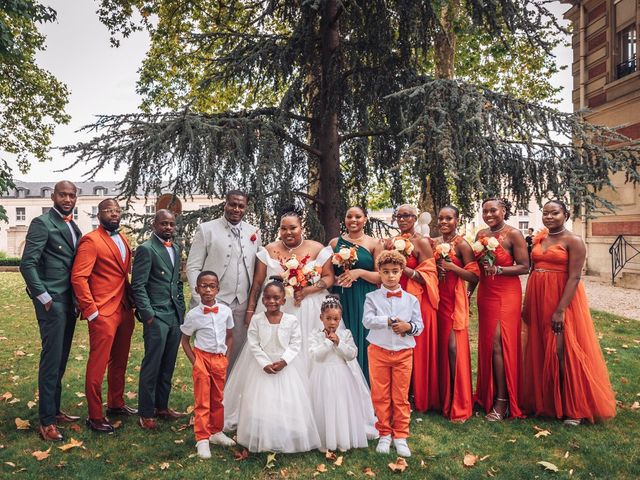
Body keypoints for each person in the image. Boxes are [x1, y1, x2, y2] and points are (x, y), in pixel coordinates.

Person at [522, 200, 616, 424]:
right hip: (538, 297)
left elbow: (574, 277)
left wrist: (560, 310)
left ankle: (573, 407)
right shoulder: (541, 238)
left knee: (561, 351)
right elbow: (533, 269)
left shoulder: (574, 241)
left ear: (566, 214)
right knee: (541, 347)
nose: (549, 217)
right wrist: (527, 303)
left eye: (555, 213)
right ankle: (547, 402)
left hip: (561, 299)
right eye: (545, 213)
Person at [19, 181, 82, 441]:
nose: (67, 199)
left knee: (61, 358)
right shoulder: (42, 223)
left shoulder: (73, 225)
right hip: (52, 301)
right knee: (51, 360)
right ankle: (46, 423)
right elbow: (27, 264)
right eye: (63, 194)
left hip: (69, 302)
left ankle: (54, 410)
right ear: (53, 196)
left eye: (71, 195)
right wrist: (43, 296)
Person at [71, 198, 137, 433]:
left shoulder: (124, 239)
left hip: (124, 309)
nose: (114, 214)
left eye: (117, 210)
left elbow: (121, 275)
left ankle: (116, 404)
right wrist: (91, 311)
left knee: (120, 361)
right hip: (102, 312)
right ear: (99, 215)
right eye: (108, 210)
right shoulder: (91, 240)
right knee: (98, 364)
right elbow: (79, 278)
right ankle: (95, 415)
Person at [235, 280, 321, 453]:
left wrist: (284, 361)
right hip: (262, 367)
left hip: (286, 367)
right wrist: (264, 363)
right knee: (263, 400)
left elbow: (296, 343)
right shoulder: (257, 320)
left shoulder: (291, 320)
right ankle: (263, 435)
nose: (271, 301)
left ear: (283, 300)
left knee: (287, 400)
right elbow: (253, 343)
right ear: (262, 300)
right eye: (267, 298)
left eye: (276, 298)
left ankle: (285, 434)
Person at [186, 190, 261, 370]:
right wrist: (201, 299)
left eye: (241, 206)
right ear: (225, 204)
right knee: (210, 353)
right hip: (215, 301)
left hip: (242, 303)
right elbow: (193, 267)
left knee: (237, 352)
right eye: (232, 204)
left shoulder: (254, 232)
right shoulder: (206, 229)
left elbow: (258, 268)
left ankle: (229, 395)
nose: (236, 209)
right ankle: (209, 394)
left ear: (245, 208)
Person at [472, 198, 529, 421]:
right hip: (486, 294)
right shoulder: (480, 235)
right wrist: (470, 290)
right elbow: (478, 268)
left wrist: (500, 269)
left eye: (493, 210)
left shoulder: (514, 234)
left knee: (500, 343)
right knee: (489, 345)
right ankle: (489, 394)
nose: (489, 214)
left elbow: (525, 266)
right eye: (485, 211)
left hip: (507, 294)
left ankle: (503, 401)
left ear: (503, 211)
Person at [363, 250, 423, 458]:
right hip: (378, 351)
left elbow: (420, 326)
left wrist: (408, 326)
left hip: (403, 352)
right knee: (380, 395)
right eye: (386, 271)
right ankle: (384, 433)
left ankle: (400, 436)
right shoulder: (371, 297)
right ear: (379, 272)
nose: (390, 276)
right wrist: (387, 321)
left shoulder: (411, 300)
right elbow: (367, 321)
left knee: (400, 396)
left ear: (401, 273)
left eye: (395, 272)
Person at [131, 209, 186, 430]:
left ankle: (162, 406)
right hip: (156, 316)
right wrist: (148, 314)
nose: (168, 228)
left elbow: (177, 283)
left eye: (171, 224)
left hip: (174, 316)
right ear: (154, 224)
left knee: (168, 363)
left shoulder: (176, 248)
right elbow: (138, 285)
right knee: (152, 364)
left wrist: (180, 307)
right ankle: (146, 412)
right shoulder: (146, 249)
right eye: (163, 224)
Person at [309, 295, 377, 452]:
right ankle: (324, 439)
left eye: (336, 319)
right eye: (328, 318)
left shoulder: (345, 334)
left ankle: (342, 438)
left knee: (340, 405)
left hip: (341, 376)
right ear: (321, 317)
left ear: (340, 319)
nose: (332, 323)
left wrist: (339, 343)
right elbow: (315, 355)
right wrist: (327, 342)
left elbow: (352, 354)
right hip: (322, 375)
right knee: (324, 406)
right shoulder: (315, 335)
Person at [180, 271, 237, 460]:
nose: (208, 290)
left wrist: (227, 357)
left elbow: (229, 336)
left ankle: (216, 432)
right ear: (196, 289)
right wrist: (196, 361)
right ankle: (202, 438)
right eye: (203, 286)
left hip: (220, 358)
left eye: (212, 286)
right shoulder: (193, 315)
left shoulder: (226, 311)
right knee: (202, 400)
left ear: (218, 289)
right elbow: (185, 340)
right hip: (202, 359)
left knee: (218, 398)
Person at [389, 204, 440, 413]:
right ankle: (401, 392)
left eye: (407, 216)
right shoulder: (392, 242)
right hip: (395, 297)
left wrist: (405, 269)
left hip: (418, 300)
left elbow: (429, 275)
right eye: (399, 216)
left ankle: (416, 393)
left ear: (415, 218)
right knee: (398, 345)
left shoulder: (421, 242)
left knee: (416, 347)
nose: (402, 219)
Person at [433, 206, 479, 422]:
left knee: (454, 348)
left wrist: (452, 268)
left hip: (453, 298)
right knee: (441, 348)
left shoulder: (462, 244)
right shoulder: (433, 242)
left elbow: (474, 276)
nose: (444, 222)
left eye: (448, 218)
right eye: (441, 218)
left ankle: (458, 401)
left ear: (457, 220)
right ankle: (443, 398)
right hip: (436, 299)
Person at [329, 206, 382, 382]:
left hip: (364, 297)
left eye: (358, 216)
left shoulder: (374, 244)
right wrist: (337, 279)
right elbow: (327, 274)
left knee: (363, 339)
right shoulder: (334, 244)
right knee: (341, 338)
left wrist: (358, 273)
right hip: (341, 296)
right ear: (344, 219)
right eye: (349, 216)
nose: (353, 220)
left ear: (365, 219)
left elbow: (380, 276)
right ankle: (344, 386)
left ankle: (366, 385)